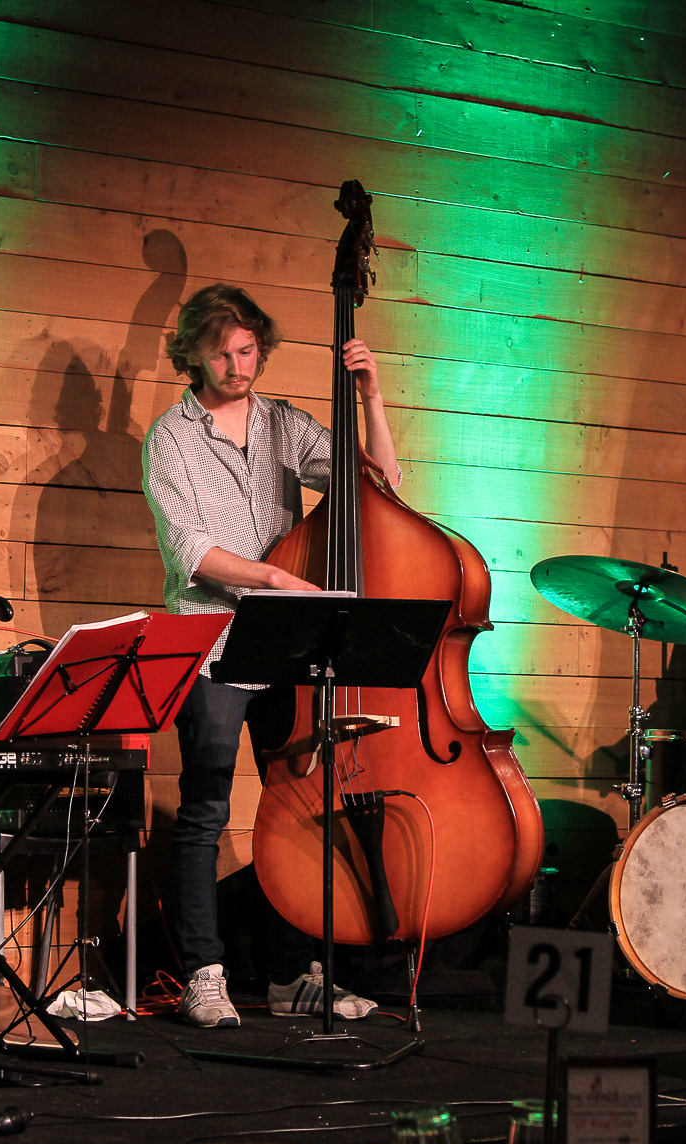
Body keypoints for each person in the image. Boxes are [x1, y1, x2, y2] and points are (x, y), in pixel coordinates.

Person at [143, 284, 400, 1027]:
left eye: (248, 350)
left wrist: (371, 396)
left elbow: (379, 482)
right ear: (193, 356)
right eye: (222, 352)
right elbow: (191, 552)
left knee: (298, 809)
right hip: (216, 643)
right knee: (206, 809)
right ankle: (204, 974)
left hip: (286, 644)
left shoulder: (286, 425)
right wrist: (278, 579)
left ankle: (292, 975)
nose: (237, 365)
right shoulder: (171, 437)